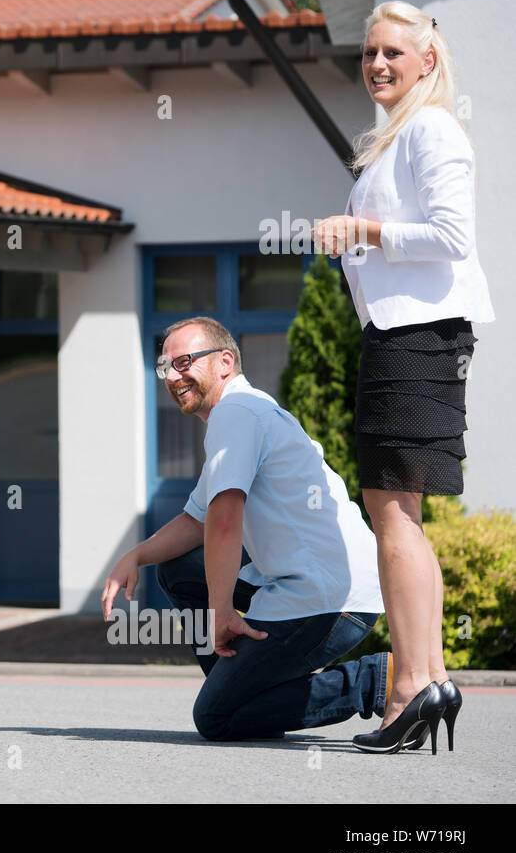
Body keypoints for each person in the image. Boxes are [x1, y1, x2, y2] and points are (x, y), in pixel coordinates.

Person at [100, 318, 421, 746]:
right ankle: (242, 688)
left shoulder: (236, 414)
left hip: (328, 601)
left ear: (225, 362)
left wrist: (220, 610)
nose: (173, 377)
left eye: (183, 362)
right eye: (165, 367)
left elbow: (224, 520)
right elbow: (196, 522)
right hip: (317, 589)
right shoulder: (242, 413)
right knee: (176, 570)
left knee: (214, 719)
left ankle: (373, 680)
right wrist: (134, 556)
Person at [312, 2, 492, 752]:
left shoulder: (431, 128)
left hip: (419, 339)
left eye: (392, 51)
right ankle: (424, 678)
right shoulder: (394, 138)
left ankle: (415, 683)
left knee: (394, 515)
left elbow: (452, 236)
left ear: (425, 59)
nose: (377, 63)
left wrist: (361, 231)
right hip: (401, 336)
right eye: (369, 53)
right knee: (400, 513)